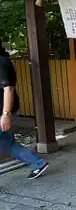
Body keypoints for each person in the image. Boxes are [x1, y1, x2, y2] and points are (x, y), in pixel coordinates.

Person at [0, 43, 49, 179]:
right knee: (7, 144)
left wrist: (6, 114)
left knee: (6, 143)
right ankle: (38, 163)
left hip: (3, 112)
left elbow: (8, 89)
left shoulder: (2, 62)